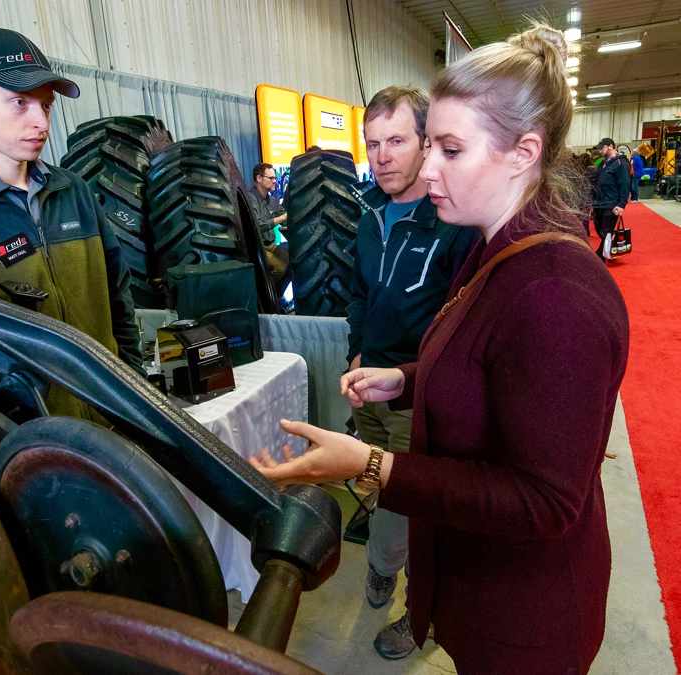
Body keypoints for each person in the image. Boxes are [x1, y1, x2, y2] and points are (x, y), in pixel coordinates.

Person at [251, 23, 628, 675]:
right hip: (478, 590)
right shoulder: (495, 249)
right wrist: (404, 379)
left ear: (522, 153)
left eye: (448, 149)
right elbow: (480, 365)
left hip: (525, 622)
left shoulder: (554, 294)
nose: (426, 168)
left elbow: (543, 499)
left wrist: (372, 465)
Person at [0, 28, 143, 420]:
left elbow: (118, 301)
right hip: (31, 449)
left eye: (46, 106)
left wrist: (134, 393)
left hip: (112, 427)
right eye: (19, 102)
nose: (41, 122)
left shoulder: (75, 192)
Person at [346, 85, 479, 660]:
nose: (382, 156)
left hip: (416, 392)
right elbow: (357, 294)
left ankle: (416, 613)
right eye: (373, 143)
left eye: (396, 141)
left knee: (417, 506)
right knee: (379, 486)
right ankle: (384, 556)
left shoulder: (450, 220)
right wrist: (356, 350)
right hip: (368, 385)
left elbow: (461, 324)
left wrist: (418, 380)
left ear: (425, 142)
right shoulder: (368, 214)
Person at [246, 162, 290, 289]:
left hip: (269, 244)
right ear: (259, 179)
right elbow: (257, 226)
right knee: (280, 267)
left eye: (275, 178)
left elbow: (286, 218)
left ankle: (278, 297)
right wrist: (280, 218)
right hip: (257, 246)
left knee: (293, 263)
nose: (274, 181)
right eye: (271, 178)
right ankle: (264, 295)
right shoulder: (250, 198)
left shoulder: (273, 201)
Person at [591, 138, 630, 260]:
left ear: (611, 146)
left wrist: (621, 204)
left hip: (611, 203)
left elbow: (624, 184)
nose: (600, 150)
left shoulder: (621, 163)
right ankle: (612, 252)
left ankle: (600, 257)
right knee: (599, 230)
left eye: (602, 148)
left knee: (605, 231)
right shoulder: (603, 163)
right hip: (599, 202)